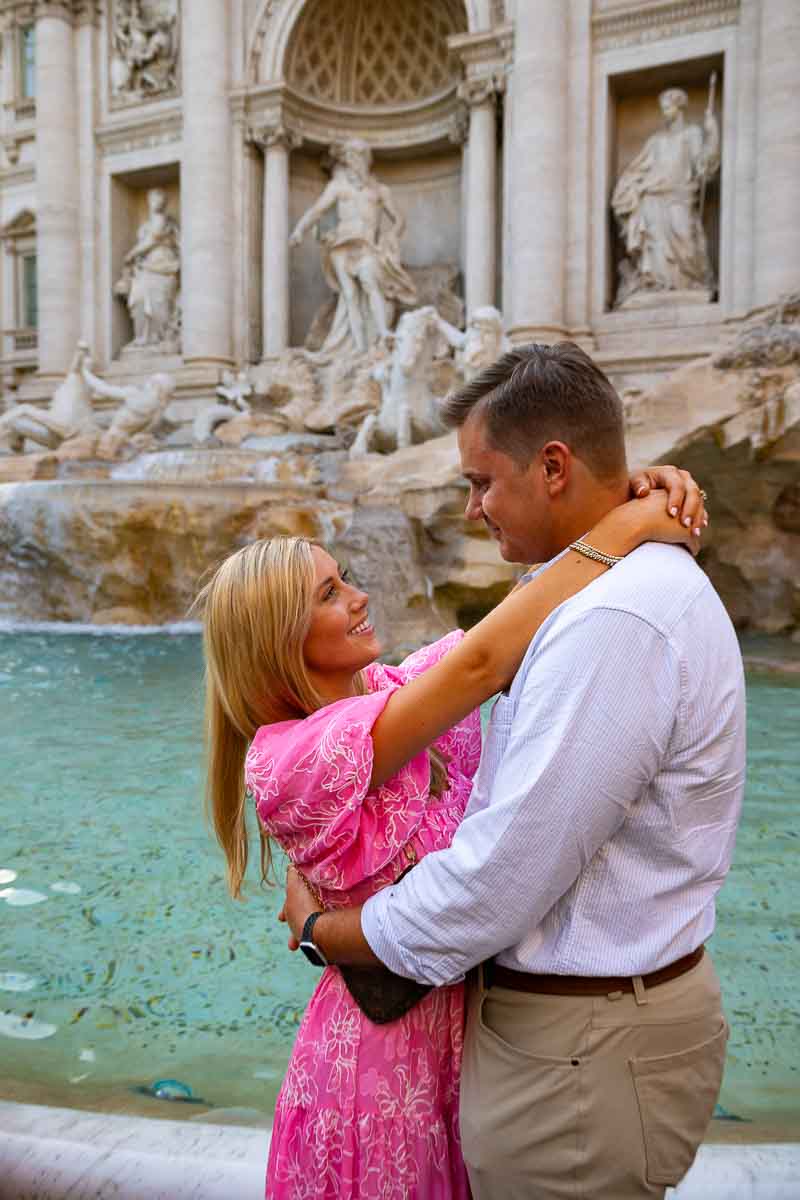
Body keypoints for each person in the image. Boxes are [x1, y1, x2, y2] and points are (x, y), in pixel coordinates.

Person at [281, 341, 745, 1200]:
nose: (470, 510)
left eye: (483, 481)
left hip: (582, 1050)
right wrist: (627, 511)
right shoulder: (601, 593)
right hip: (585, 1034)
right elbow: (474, 660)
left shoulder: (613, 621)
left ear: (554, 467)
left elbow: (497, 882)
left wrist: (326, 932)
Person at [199, 458, 703, 1199]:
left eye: (345, 578)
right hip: (378, 1066)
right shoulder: (293, 756)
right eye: (331, 593)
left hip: (465, 1047)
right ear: (281, 638)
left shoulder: (391, 695)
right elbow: (482, 665)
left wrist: (618, 491)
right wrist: (628, 524)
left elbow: (522, 613)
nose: (361, 596)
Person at [289, 139, 417, 355]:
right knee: (349, 295)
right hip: (342, 245)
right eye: (350, 157)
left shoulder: (379, 190)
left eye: (358, 156)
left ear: (366, 159)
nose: (354, 161)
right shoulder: (338, 187)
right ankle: (359, 347)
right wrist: (299, 230)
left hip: (366, 245)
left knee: (369, 280)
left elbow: (399, 219)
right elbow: (317, 210)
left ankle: (384, 332)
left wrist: (392, 235)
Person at [611, 85, 720, 305]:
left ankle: (690, 281)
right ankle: (657, 283)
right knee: (656, 245)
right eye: (662, 108)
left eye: (668, 107)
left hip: (681, 195)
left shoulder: (692, 133)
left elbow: (703, 165)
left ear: (679, 108)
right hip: (653, 197)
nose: (664, 112)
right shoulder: (656, 141)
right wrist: (631, 188)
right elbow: (637, 169)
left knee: (684, 237)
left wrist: (713, 132)